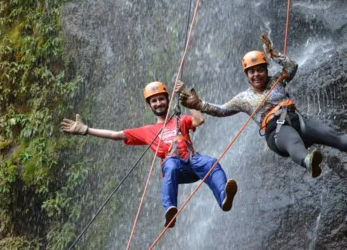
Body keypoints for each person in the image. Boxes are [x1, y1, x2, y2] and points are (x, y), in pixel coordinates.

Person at [176, 33, 347, 178]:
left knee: (332, 135)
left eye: (260, 69)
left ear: (265, 69)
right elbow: (222, 110)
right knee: (292, 141)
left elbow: (292, 66)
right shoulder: (243, 98)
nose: (256, 74)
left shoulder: (277, 81)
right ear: (246, 75)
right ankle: (308, 161)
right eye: (251, 72)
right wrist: (199, 104)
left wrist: (273, 54)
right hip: (276, 132)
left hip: (298, 120)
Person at [61, 81, 238, 228]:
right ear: (149, 105)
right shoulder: (147, 131)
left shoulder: (180, 119)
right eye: (154, 101)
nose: (158, 103)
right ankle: (170, 212)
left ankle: (224, 198)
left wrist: (190, 99)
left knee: (212, 163)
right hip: (175, 168)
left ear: (168, 100)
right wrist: (86, 130)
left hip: (193, 162)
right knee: (170, 165)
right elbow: (116, 135)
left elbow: (199, 120)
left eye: (161, 99)